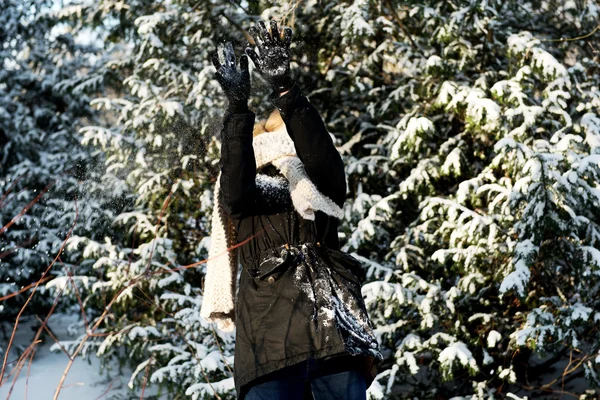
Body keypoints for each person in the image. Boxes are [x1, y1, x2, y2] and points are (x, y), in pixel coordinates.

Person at [201, 19, 383, 400]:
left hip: (333, 336)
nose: (281, 145)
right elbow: (235, 187)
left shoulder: (316, 181)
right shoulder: (240, 188)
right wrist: (237, 108)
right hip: (271, 349)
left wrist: (286, 89)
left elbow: (321, 154)